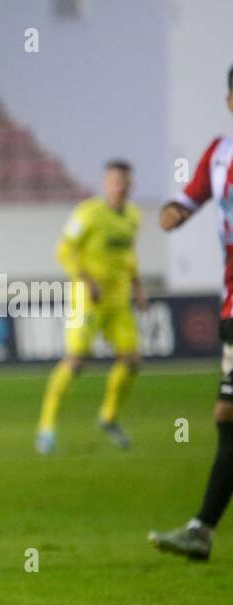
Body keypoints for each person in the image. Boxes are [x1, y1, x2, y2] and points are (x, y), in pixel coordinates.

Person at [149, 67, 233, 561]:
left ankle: (202, 527)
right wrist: (172, 213)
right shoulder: (219, 153)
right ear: (228, 101)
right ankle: (202, 529)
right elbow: (186, 199)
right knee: (228, 418)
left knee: (229, 413)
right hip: (230, 300)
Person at [36, 160, 145, 455]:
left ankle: (108, 417)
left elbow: (128, 256)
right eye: (115, 182)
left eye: (125, 182)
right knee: (75, 362)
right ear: (106, 184)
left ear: (130, 185)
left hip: (119, 301)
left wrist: (138, 287)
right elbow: (64, 249)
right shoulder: (88, 214)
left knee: (132, 360)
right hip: (88, 300)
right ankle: (46, 428)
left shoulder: (134, 216)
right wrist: (85, 279)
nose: (121, 187)